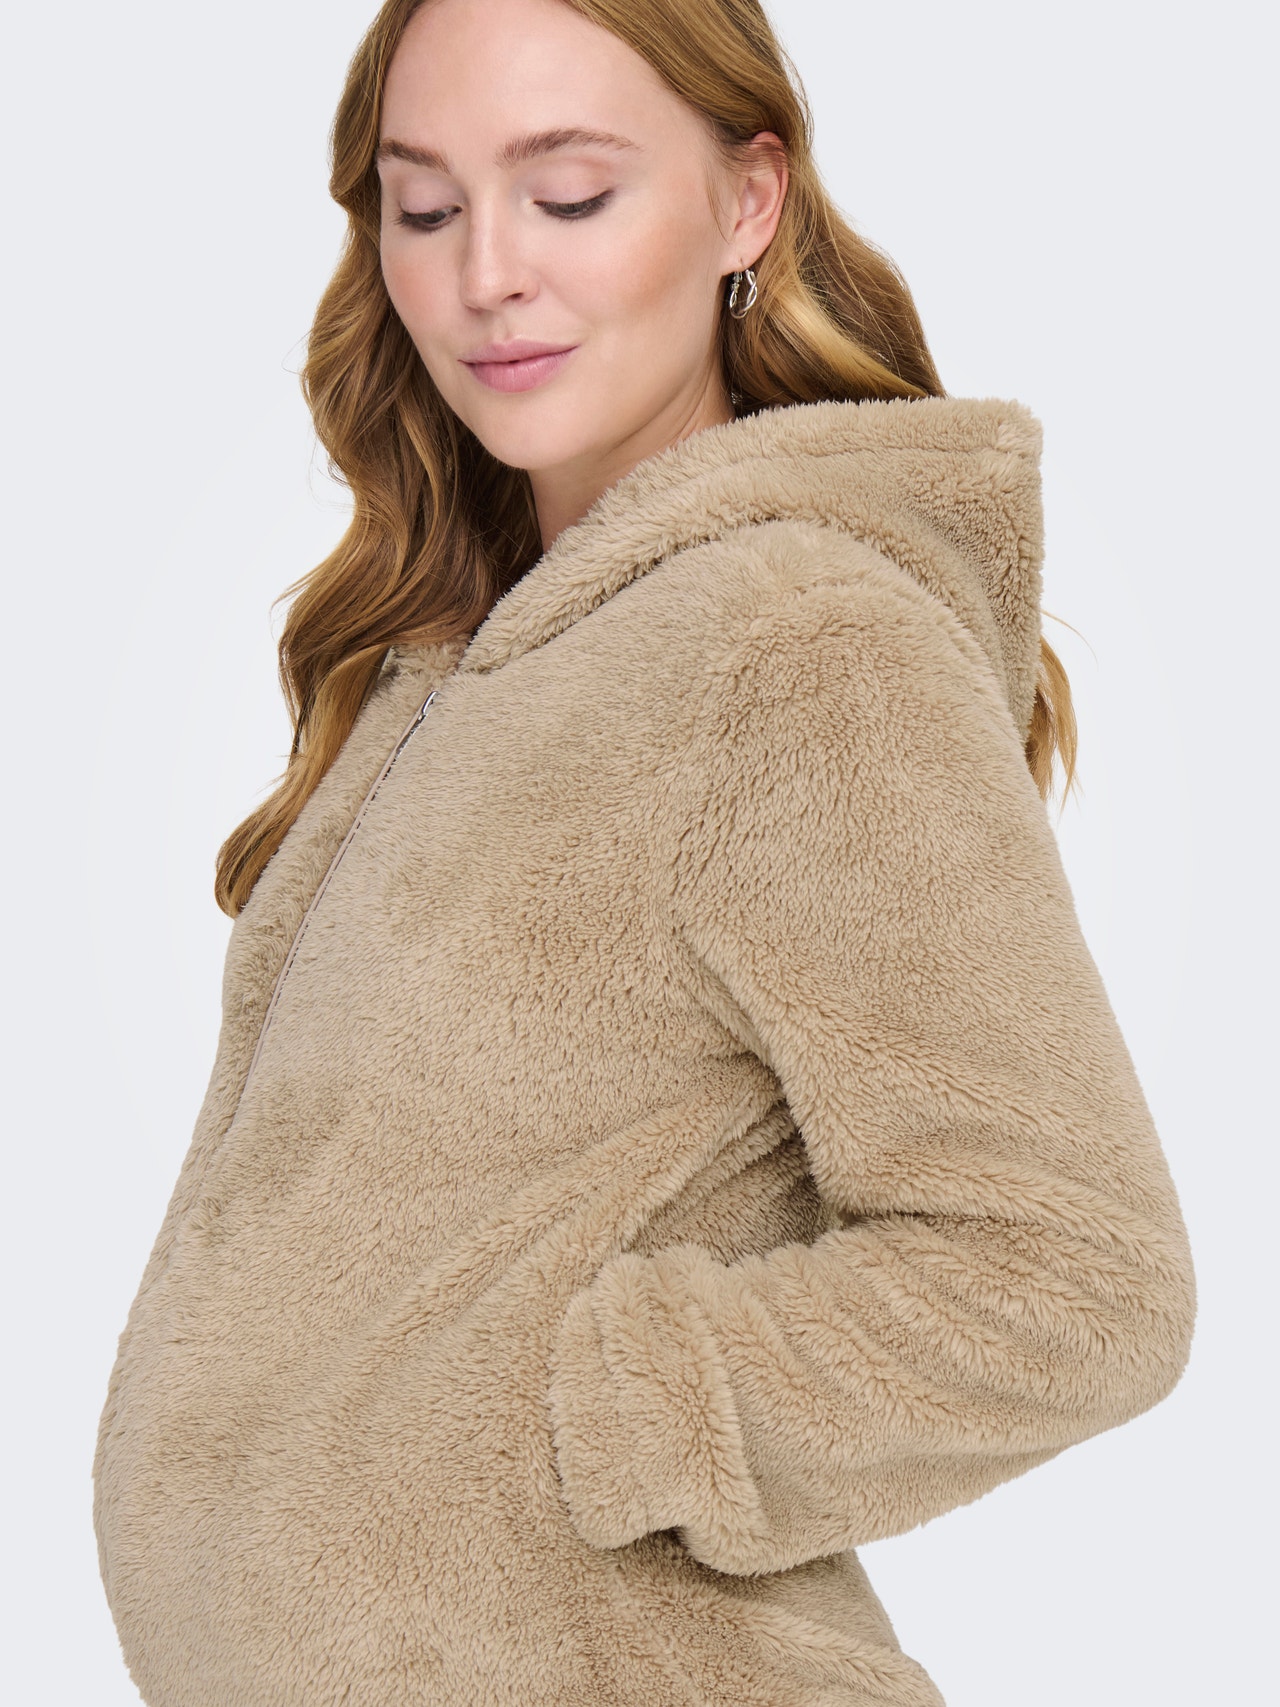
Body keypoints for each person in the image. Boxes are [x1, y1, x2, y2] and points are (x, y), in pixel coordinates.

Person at [93, 0, 1197, 1701]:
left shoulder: (798, 642)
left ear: (748, 202)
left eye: (571, 196)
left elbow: (1072, 1274)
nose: (487, 276)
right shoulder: (470, 658)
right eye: (426, 207)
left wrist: (590, 1419)